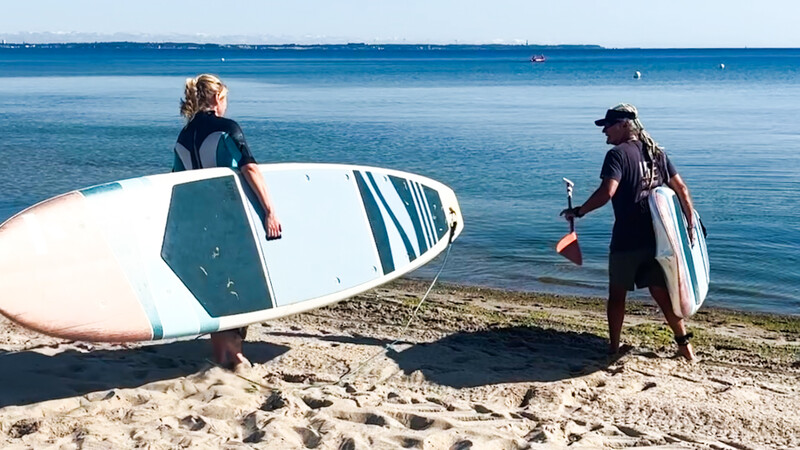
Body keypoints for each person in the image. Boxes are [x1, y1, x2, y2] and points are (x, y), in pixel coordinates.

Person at [561, 103, 696, 361]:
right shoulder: (656, 152)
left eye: (608, 126)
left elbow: (607, 193)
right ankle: (684, 346)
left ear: (624, 125)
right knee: (659, 291)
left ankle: (613, 348)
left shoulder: (618, 156)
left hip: (627, 238)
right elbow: (682, 190)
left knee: (617, 293)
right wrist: (689, 226)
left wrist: (579, 212)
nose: (604, 132)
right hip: (657, 239)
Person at [174, 74, 282, 370]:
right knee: (241, 283)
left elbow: (177, 182)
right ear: (217, 98)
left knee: (216, 282)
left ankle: (221, 350)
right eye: (225, 99)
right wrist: (270, 210)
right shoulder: (227, 129)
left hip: (200, 221)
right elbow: (250, 169)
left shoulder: (183, 137)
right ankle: (233, 354)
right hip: (229, 219)